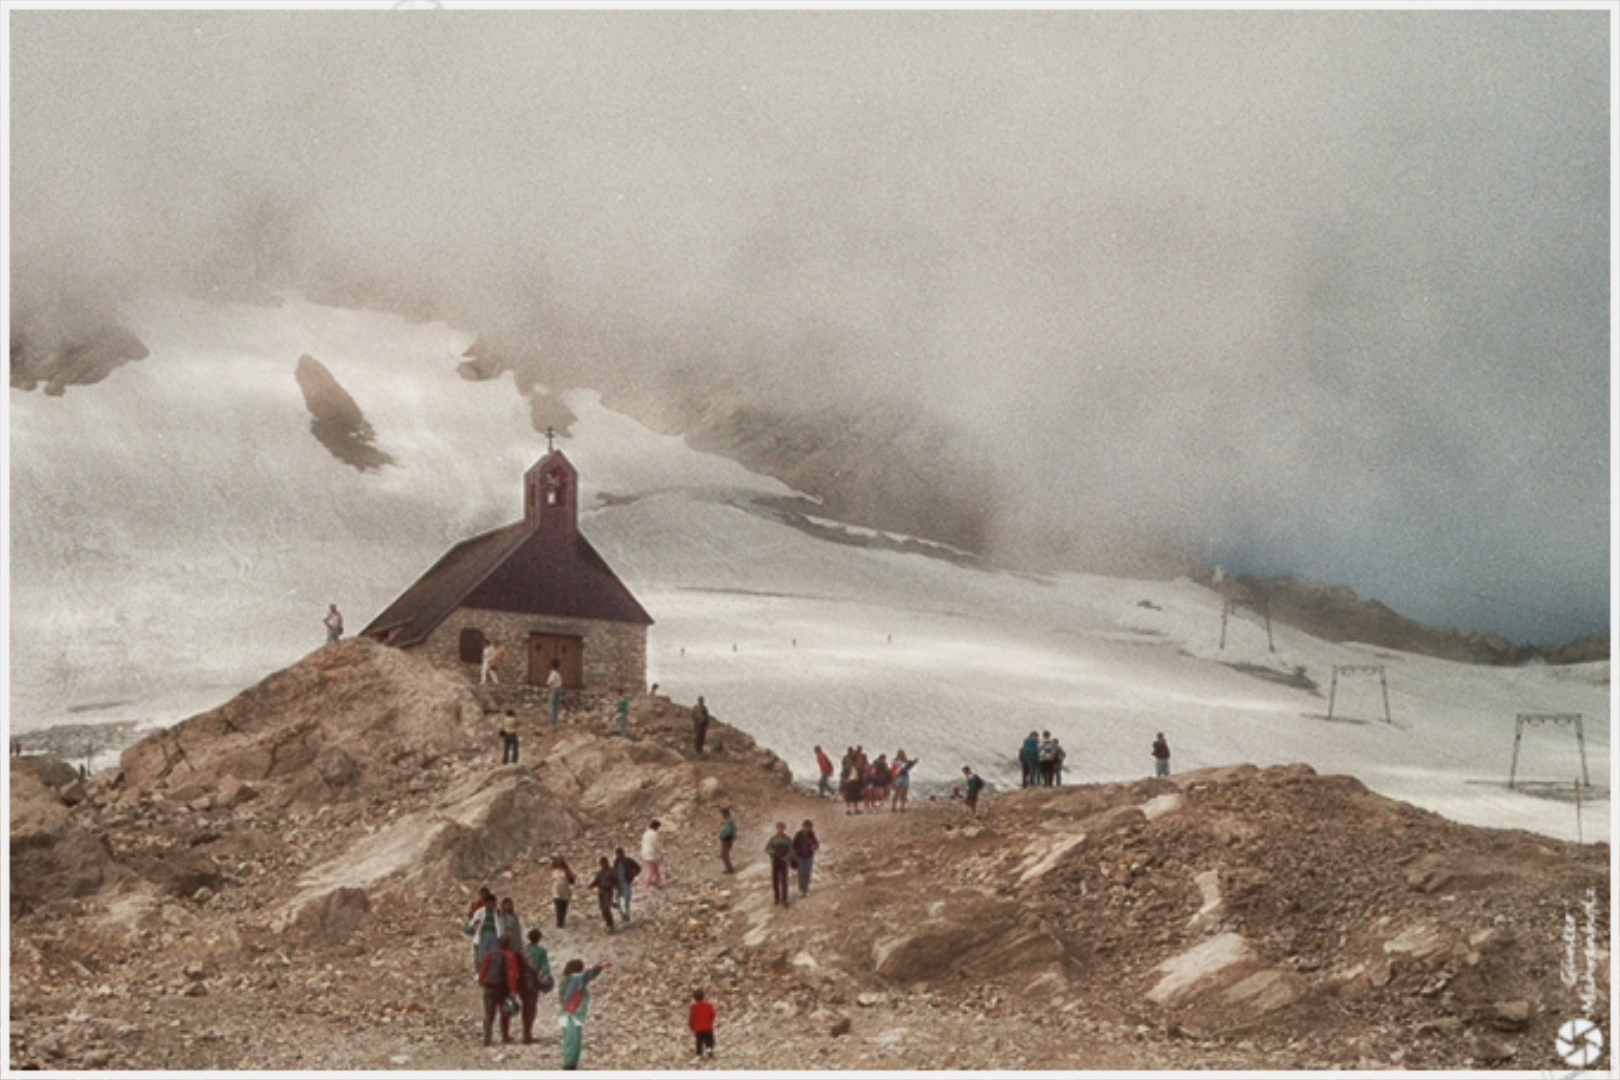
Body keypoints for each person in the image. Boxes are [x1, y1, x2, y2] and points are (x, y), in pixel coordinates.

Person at [557, 958, 611, 1070]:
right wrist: (601, 966)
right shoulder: (576, 979)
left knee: (569, 1040)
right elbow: (588, 975)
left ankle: (569, 1064)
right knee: (574, 1041)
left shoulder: (564, 980)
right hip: (573, 1015)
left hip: (565, 1015)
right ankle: (569, 1066)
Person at [477, 933, 522, 1046]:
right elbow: (512, 974)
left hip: (489, 987)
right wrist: (513, 990)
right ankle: (505, 1036)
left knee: (489, 1014)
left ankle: (487, 1038)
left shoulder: (489, 955)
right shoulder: (510, 956)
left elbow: (483, 969)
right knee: (505, 1013)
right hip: (503, 989)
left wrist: (482, 981)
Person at [465, 893, 503, 972]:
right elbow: (472, 924)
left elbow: (500, 926)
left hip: (494, 936)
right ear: (485, 903)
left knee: (493, 955)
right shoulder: (479, 912)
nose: (491, 905)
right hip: (483, 935)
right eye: (489, 903)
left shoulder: (497, 913)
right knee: (482, 956)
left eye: (492, 903)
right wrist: (475, 923)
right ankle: (482, 973)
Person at [765, 822, 792, 907]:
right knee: (775, 880)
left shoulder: (787, 839)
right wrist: (772, 853)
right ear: (777, 828)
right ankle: (777, 898)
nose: (780, 830)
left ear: (784, 829)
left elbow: (792, 851)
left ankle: (785, 899)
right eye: (779, 828)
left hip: (784, 861)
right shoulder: (773, 839)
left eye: (782, 828)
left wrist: (787, 857)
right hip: (776, 861)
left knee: (784, 880)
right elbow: (767, 849)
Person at [791, 820, 819, 897]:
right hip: (800, 856)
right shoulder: (798, 834)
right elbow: (793, 845)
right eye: (807, 826)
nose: (808, 828)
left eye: (809, 827)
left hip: (809, 856)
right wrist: (794, 854)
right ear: (803, 826)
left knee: (807, 872)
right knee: (801, 873)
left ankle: (806, 889)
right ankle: (801, 889)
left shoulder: (811, 834)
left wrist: (815, 847)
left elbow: (816, 843)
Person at [612, 847, 640, 923]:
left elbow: (638, 868)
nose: (619, 856)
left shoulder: (628, 861)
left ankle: (626, 916)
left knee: (626, 900)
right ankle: (623, 915)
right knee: (618, 901)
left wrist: (631, 875)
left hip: (626, 883)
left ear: (623, 853)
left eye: (620, 854)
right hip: (619, 884)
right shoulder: (616, 862)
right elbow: (614, 872)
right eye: (617, 854)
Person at [591, 857, 618, 932]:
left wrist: (618, 889)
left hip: (608, 891)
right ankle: (608, 923)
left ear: (607, 862)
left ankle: (611, 924)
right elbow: (597, 881)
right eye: (602, 863)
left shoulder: (611, 871)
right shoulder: (600, 872)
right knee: (602, 909)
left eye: (604, 863)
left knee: (606, 908)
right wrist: (591, 885)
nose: (603, 864)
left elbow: (616, 881)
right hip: (601, 891)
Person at [689, 988, 717, 1059]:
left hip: (698, 1029)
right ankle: (709, 1049)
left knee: (699, 1042)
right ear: (703, 996)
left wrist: (692, 1027)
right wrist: (710, 1022)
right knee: (709, 1040)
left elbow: (691, 1018)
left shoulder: (694, 1008)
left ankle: (699, 1054)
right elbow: (713, 1014)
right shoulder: (708, 1006)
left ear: (695, 999)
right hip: (707, 1027)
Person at [550, 856, 576, 928]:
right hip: (557, 890)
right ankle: (559, 921)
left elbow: (572, 881)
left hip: (565, 890)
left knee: (564, 906)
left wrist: (569, 874)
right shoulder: (554, 871)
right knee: (558, 905)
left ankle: (561, 920)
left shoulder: (567, 871)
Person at [641, 820, 665, 888]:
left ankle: (659, 882)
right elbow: (656, 845)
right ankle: (647, 884)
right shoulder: (655, 834)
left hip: (645, 853)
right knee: (652, 869)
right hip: (652, 854)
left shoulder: (646, 833)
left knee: (655, 868)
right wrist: (661, 853)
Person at [718, 807, 738, 874]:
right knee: (725, 855)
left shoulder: (729, 822)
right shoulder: (731, 821)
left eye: (723, 815)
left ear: (726, 814)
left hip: (726, 839)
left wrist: (722, 836)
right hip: (729, 839)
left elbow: (728, 831)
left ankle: (729, 869)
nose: (722, 817)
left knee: (724, 855)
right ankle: (729, 868)